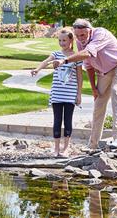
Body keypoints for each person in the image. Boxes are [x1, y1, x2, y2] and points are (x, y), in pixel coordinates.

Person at [53, 19, 117, 150]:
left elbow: (88, 52)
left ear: (90, 30)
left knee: (115, 91)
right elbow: (88, 65)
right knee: (99, 104)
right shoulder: (79, 42)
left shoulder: (100, 34)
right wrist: (94, 88)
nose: (80, 38)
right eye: (77, 35)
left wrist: (64, 60)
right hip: (103, 71)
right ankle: (93, 144)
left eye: (83, 35)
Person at [31, 29, 82, 157]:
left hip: (70, 93)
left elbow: (80, 76)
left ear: (71, 40)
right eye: (59, 40)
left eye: (64, 40)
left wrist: (79, 94)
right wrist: (37, 69)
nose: (62, 42)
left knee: (68, 120)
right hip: (57, 93)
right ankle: (56, 149)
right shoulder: (56, 54)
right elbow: (45, 61)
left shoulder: (76, 57)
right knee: (57, 120)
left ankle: (66, 149)